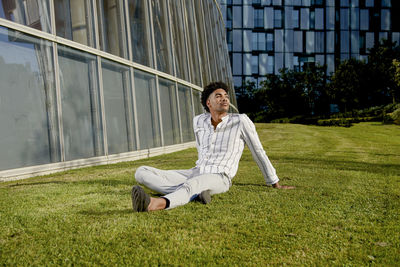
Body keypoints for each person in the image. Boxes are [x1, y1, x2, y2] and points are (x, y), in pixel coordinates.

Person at [131, 81, 294, 212]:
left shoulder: (240, 121)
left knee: (194, 184)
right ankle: (195, 194)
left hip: (220, 177)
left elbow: (258, 152)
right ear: (208, 102)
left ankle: (155, 204)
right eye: (218, 96)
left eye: (226, 96)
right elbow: (201, 148)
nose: (224, 99)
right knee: (142, 172)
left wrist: (274, 182)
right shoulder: (198, 121)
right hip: (196, 171)